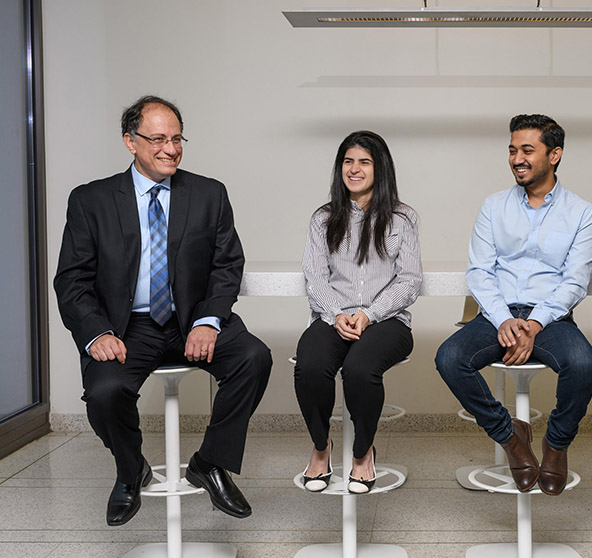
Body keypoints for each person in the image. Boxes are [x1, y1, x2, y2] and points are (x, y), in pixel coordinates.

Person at [54, 95, 272, 526]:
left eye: (176, 138)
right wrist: (98, 333)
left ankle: (210, 462)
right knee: (104, 393)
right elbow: (72, 280)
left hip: (192, 319)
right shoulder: (90, 200)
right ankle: (129, 469)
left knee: (254, 357)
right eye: (157, 139)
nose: (170, 149)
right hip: (127, 327)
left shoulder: (209, 193)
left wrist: (208, 321)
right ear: (130, 142)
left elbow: (227, 265)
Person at [435, 114, 592, 496]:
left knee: (584, 364)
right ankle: (510, 437)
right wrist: (505, 319)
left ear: (554, 154)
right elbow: (479, 272)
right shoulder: (493, 207)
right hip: (496, 314)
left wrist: (535, 323)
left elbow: (575, 280)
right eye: (512, 150)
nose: (517, 158)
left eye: (528, 150)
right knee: (448, 358)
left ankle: (556, 445)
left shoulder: (581, 212)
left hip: (552, 318)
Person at [294, 131, 422, 494]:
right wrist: (337, 314)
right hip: (332, 316)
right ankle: (322, 449)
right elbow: (315, 277)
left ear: (380, 169)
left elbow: (409, 280)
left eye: (364, 161)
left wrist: (370, 314)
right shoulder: (323, 219)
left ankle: (363, 453)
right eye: (348, 161)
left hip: (387, 320)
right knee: (310, 366)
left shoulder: (403, 218)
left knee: (359, 369)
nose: (354, 169)